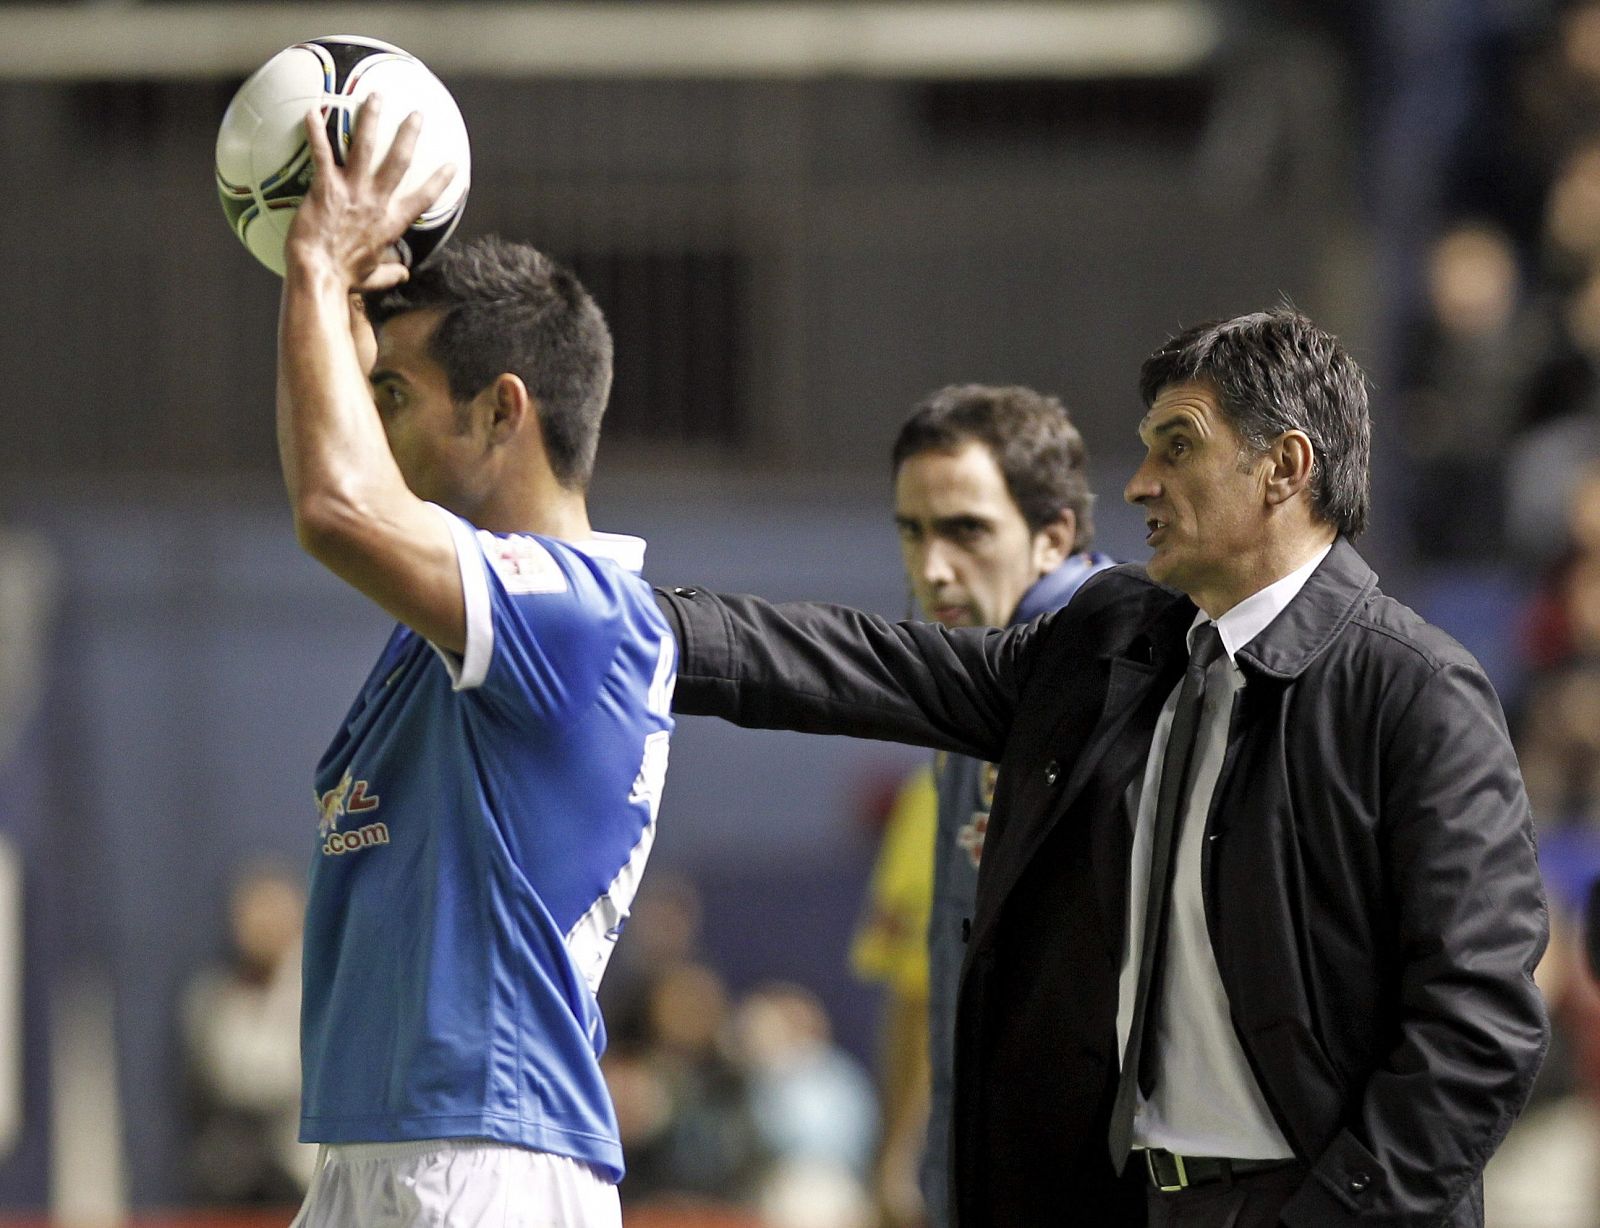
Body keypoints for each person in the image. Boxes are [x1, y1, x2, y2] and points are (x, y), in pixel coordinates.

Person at [655, 308, 1548, 1227]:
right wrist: (652, 629)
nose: (1139, 484)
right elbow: (877, 666)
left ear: (1285, 467)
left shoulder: (1417, 692)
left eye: (1177, 446)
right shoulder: (1113, 635)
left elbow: (1479, 1030)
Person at [275, 100, 676, 1227]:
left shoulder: (576, 613)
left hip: (484, 1150)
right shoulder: (455, 635)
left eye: (393, 396)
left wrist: (314, 259)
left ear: (504, 412)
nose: (371, 420)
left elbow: (334, 506)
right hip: (391, 1144)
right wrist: (341, 329)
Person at [848, 385, 1114, 1227]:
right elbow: (940, 976)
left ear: (1055, 535)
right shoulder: (977, 692)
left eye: (966, 530)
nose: (932, 568)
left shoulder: (1128, 690)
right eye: (913, 531)